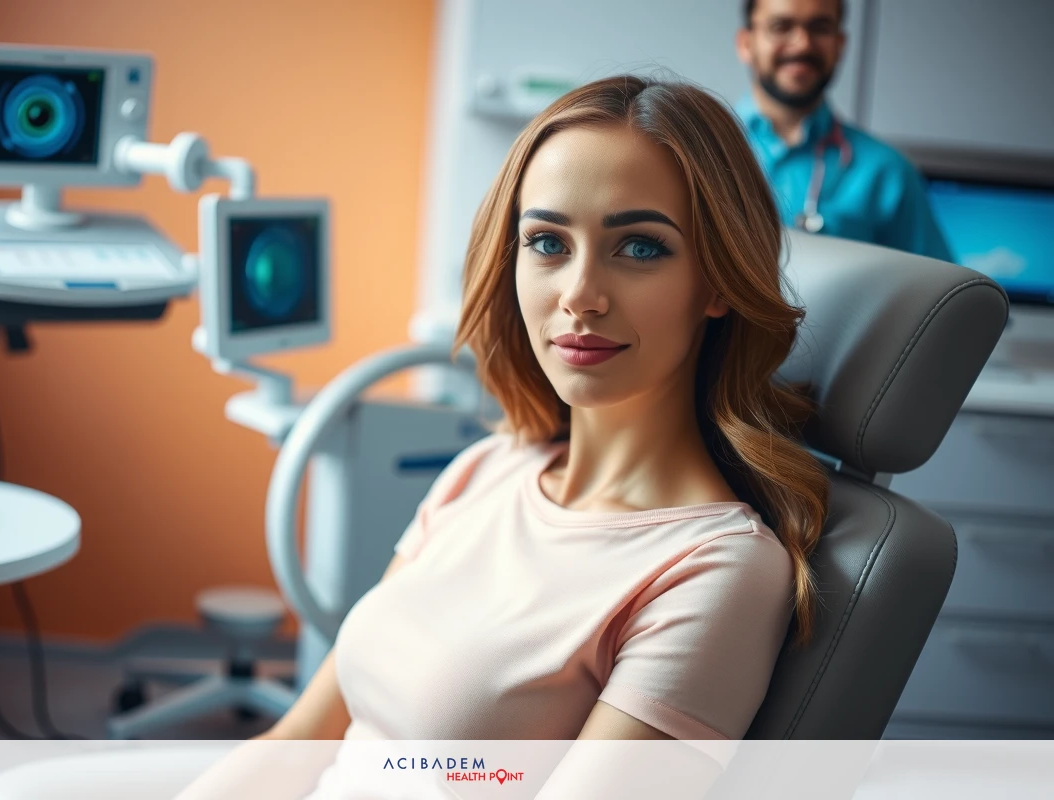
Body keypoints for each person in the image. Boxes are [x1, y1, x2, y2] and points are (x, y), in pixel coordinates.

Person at [174, 75, 829, 798]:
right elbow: (301, 740)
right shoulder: (485, 469)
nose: (580, 294)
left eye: (639, 248)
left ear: (718, 284)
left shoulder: (714, 571)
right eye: (548, 241)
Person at [735, 0, 953, 260]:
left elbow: (943, 294)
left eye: (820, 28)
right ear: (746, 43)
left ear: (840, 45)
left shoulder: (888, 172)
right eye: (781, 26)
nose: (803, 43)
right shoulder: (697, 153)